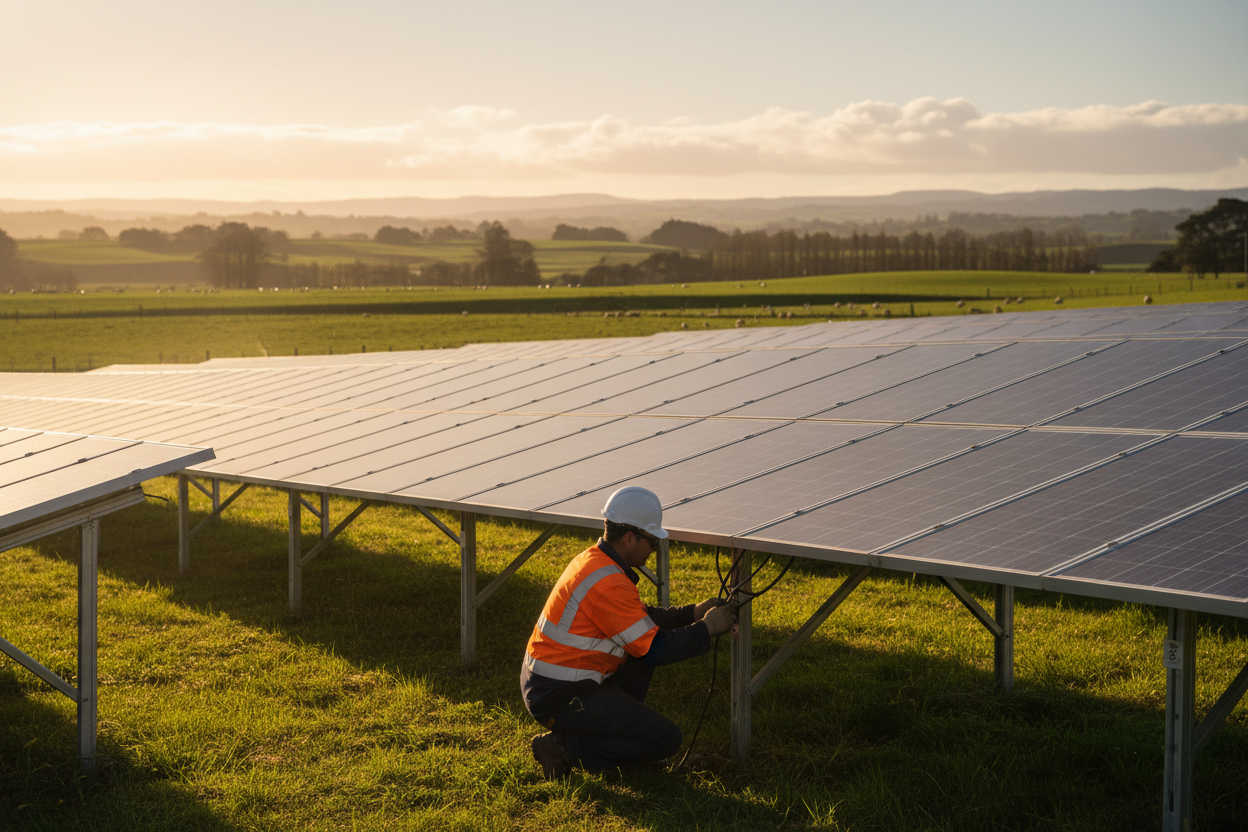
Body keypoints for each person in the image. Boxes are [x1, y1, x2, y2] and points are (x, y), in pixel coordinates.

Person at [520, 485, 735, 779]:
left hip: (555, 681)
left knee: (638, 657)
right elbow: (657, 648)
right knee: (665, 738)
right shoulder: (607, 582)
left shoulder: (596, 562)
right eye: (652, 541)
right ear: (629, 538)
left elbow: (640, 620)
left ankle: (611, 742)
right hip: (558, 694)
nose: (654, 548)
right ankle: (561, 748)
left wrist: (693, 612)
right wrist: (708, 627)